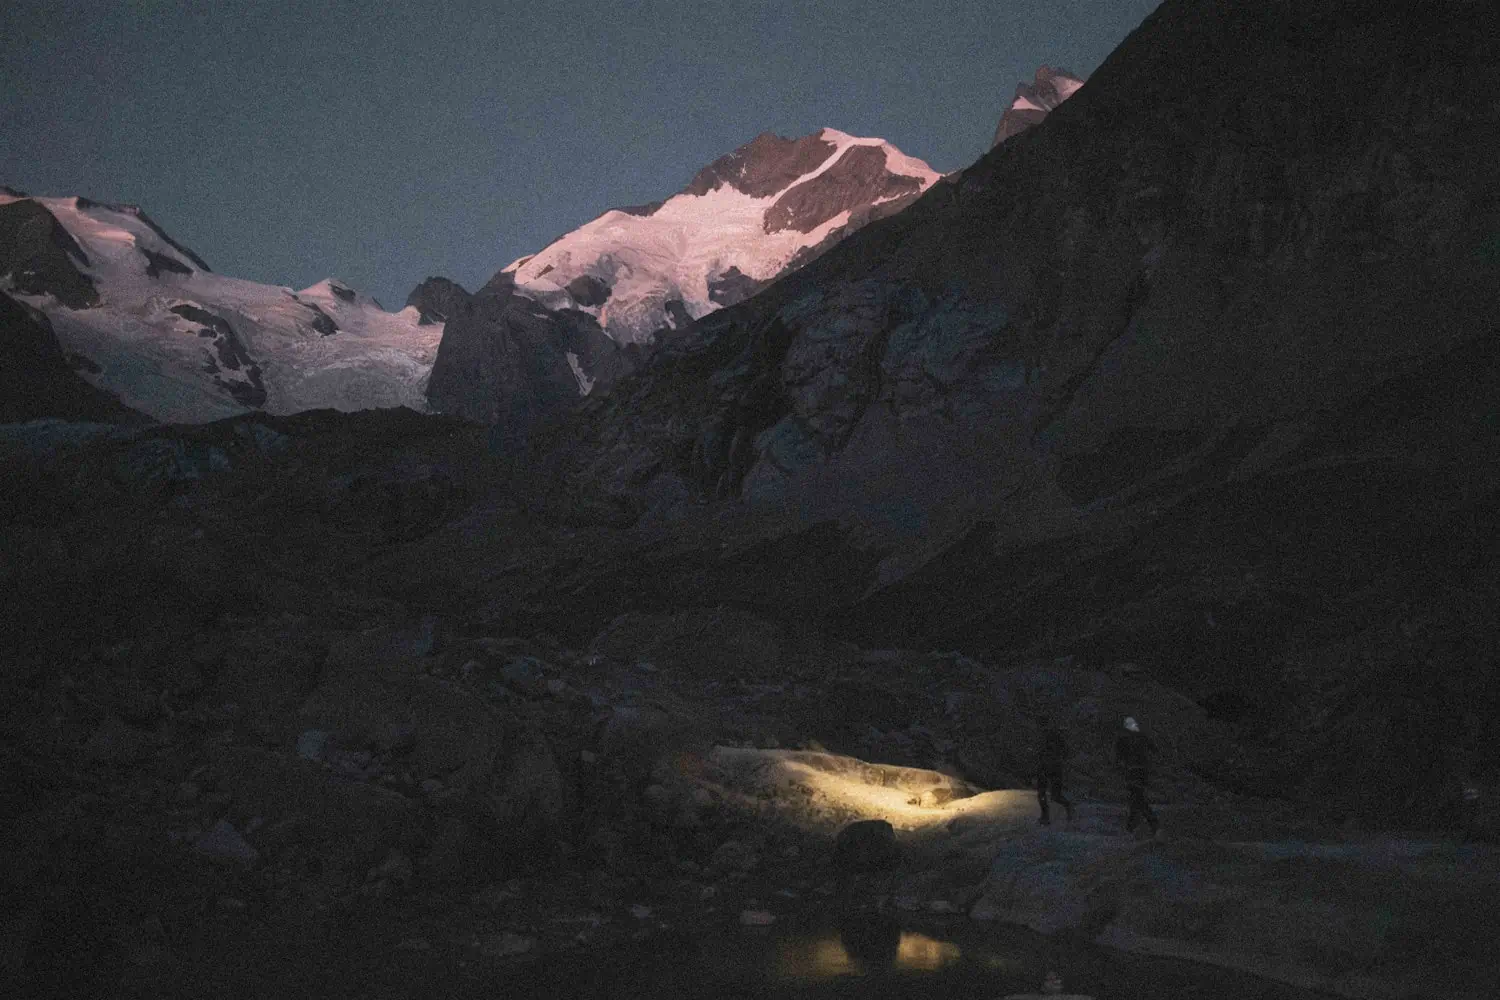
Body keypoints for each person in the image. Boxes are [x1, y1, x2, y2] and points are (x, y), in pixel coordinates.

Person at [1115, 716, 1159, 836]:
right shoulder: (1142, 737)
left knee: (1137, 798)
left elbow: (1118, 758)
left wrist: (1121, 767)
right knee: (1137, 797)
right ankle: (1134, 825)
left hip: (1132, 771)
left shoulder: (1123, 739)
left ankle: (1151, 824)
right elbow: (1155, 750)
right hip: (1141, 771)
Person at [1035, 714, 1074, 826]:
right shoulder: (1043, 737)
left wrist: (1058, 759)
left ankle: (1067, 808)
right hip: (1047, 768)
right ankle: (1045, 816)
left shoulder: (1054, 736)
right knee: (1044, 794)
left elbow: (1066, 751)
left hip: (1053, 768)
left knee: (1053, 795)